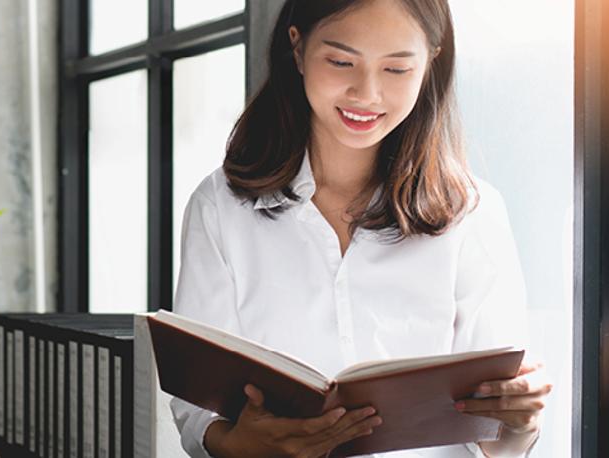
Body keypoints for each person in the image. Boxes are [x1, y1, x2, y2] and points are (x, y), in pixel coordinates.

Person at [170, 0, 550, 456]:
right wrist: (236, 444)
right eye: (341, 61)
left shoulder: (473, 212)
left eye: (396, 70)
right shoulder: (221, 208)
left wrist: (520, 424)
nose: (366, 94)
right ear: (297, 48)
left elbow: (496, 434)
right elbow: (197, 409)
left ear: (430, 60)